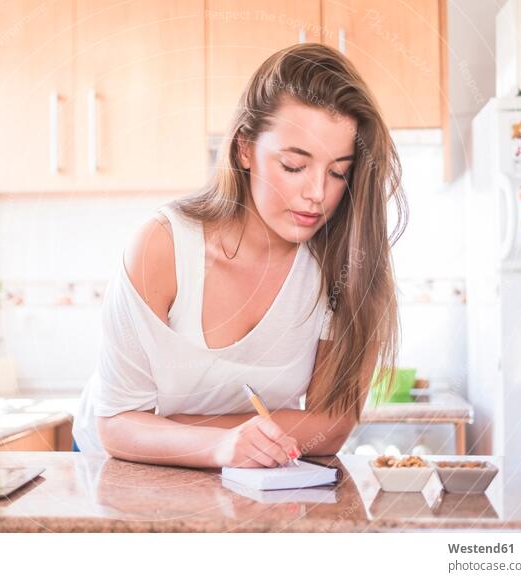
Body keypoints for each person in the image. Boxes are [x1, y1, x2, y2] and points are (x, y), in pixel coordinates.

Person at [73, 42, 407, 468]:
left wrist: (179, 427)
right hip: (114, 466)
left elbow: (330, 425)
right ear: (245, 148)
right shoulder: (163, 247)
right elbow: (118, 424)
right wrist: (221, 443)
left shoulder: (344, 267)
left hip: (242, 469)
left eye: (338, 171)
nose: (318, 194)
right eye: (293, 166)